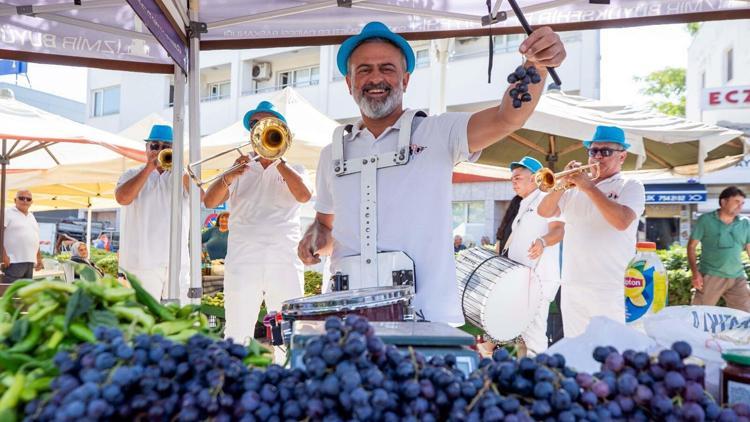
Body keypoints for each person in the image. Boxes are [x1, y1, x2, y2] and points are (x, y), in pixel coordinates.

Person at [298, 21, 566, 324]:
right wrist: (314, 239)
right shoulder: (331, 154)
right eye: (364, 70)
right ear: (349, 82)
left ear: (406, 79)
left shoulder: (438, 133)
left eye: (387, 68)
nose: (376, 78)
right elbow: (326, 227)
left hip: (425, 318)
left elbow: (507, 118)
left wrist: (536, 65)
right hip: (346, 315)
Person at [203, 101, 313, 344]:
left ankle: (287, 378)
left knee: (289, 331)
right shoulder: (239, 168)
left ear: (281, 132)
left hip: (284, 258)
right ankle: (234, 379)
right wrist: (229, 175)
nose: (260, 128)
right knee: (237, 329)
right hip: (243, 260)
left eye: (267, 125)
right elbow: (210, 201)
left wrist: (277, 161)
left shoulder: (294, 168)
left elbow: (304, 196)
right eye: (255, 124)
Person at [538, 125, 645, 338]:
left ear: (622, 156)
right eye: (593, 151)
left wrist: (589, 187)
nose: (597, 156)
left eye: (605, 152)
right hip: (572, 285)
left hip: (609, 285)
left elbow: (622, 221)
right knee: (575, 349)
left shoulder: (631, 185)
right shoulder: (573, 188)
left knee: (610, 351)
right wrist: (560, 184)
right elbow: (544, 211)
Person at [115, 124, 199, 302]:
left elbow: (203, 200)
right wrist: (149, 168)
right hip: (141, 262)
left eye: (166, 147)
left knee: (178, 317)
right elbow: (122, 198)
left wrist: (182, 171)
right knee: (141, 317)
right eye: (154, 146)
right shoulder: (131, 174)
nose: (159, 150)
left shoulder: (181, 175)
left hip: (177, 262)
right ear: (146, 148)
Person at [500, 156, 564, 353]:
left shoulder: (547, 198)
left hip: (538, 279)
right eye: (512, 178)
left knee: (534, 338)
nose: (513, 181)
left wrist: (543, 241)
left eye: (518, 177)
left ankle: (539, 377)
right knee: (521, 337)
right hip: (521, 279)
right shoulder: (522, 203)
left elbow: (559, 230)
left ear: (534, 178)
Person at [688, 186, 750, 311]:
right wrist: (695, 273)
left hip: (737, 277)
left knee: (745, 316)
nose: (740, 206)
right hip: (711, 275)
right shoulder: (705, 220)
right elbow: (691, 246)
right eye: (736, 202)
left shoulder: (745, 223)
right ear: (723, 202)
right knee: (699, 315)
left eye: (742, 203)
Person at [2, 190, 43, 283]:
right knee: (9, 294)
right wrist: (3, 255)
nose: (25, 200)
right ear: (15, 200)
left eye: (28, 199)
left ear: (31, 202)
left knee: (23, 295)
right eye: (21, 198)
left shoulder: (32, 216)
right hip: (13, 261)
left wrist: (39, 258)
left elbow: (35, 238)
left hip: (30, 261)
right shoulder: (7, 212)